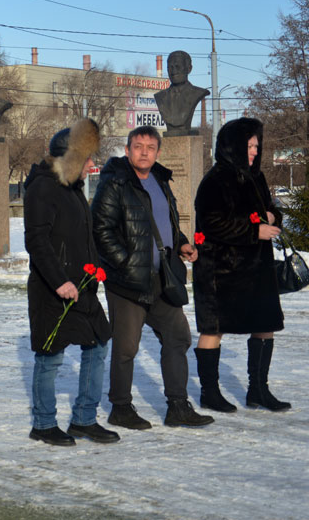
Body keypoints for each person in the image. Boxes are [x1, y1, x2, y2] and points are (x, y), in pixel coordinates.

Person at [91, 126, 213, 429]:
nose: (144, 151)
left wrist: (182, 242)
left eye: (150, 147)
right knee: (126, 347)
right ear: (128, 149)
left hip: (162, 278)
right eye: (138, 146)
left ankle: (177, 406)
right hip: (127, 283)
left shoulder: (160, 179)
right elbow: (101, 232)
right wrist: (129, 264)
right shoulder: (114, 183)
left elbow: (167, 223)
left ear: (158, 151)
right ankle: (120, 408)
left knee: (178, 337)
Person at [23, 118, 118, 446]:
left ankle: (84, 419)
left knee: (98, 344)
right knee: (50, 357)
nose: (92, 164)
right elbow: (37, 241)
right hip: (55, 289)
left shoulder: (73, 189)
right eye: (86, 158)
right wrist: (60, 281)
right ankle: (44, 423)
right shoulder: (42, 187)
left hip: (84, 285)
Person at [193, 118, 290, 412]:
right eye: (249, 146)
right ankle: (210, 393)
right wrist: (253, 231)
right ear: (233, 146)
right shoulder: (215, 180)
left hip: (257, 267)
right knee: (214, 329)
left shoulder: (256, 177)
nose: (254, 151)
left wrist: (273, 218)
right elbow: (211, 223)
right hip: (221, 269)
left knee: (265, 325)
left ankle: (258, 390)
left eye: (256, 146)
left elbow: (269, 210)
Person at [153, 51, 209, 136]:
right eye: (170, 68)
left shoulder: (197, 93)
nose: (173, 71)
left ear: (189, 68)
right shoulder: (160, 97)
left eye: (177, 67)